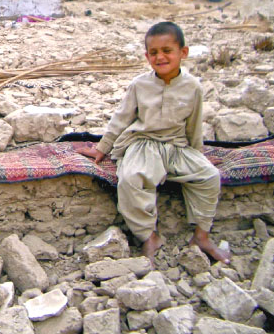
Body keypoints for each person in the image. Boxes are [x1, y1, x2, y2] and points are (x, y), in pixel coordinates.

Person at [78, 21, 230, 264]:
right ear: (147, 56)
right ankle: (149, 235)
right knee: (130, 179)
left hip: (177, 146)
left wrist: (198, 154)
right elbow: (121, 118)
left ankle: (201, 236)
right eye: (154, 52)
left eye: (167, 51)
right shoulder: (140, 85)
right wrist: (102, 148)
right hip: (143, 144)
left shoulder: (193, 87)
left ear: (183, 53)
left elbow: (194, 124)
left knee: (209, 176)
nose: (160, 57)